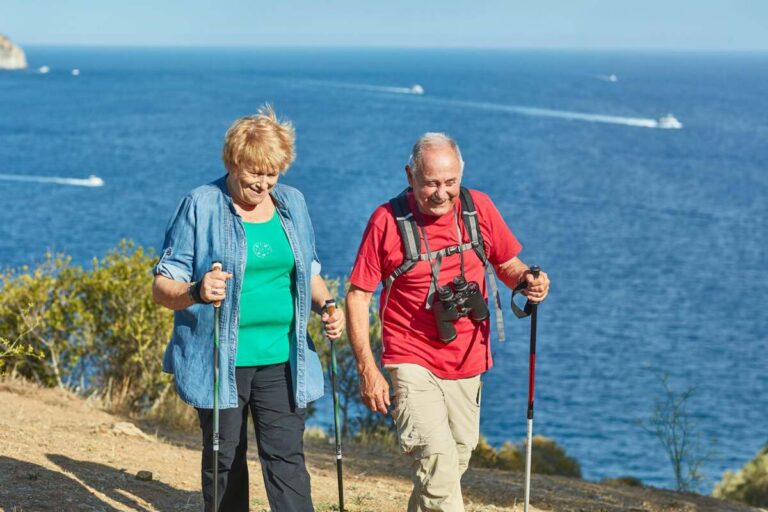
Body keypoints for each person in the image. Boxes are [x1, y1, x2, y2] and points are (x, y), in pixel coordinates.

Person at [152, 104, 344, 512]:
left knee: (287, 458)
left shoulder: (292, 203)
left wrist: (327, 303)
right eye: (255, 172)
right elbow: (161, 287)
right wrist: (197, 291)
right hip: (222, 359)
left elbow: (307, 269)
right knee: (225, 460)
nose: (264, 183)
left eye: (272, 172)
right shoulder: (201, 205)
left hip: (282, 357)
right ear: (233, 161)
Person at [346, 132, 550, 511]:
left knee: (453, 460)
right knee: (438, 471)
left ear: (461, 174)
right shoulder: (387, 221)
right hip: (410, 360)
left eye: (450, 182)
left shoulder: (479, 209)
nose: (441, 193)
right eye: (431, 183)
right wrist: (367, 369)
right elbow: (358, 294)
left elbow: (506, 264)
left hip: (467, 362)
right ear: (410, 176)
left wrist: (528, 282)